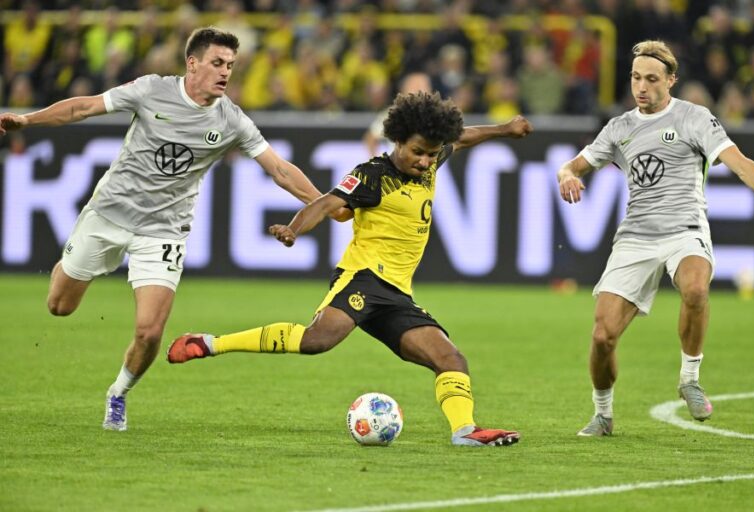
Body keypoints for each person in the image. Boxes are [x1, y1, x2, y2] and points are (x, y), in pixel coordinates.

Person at [0, 27, 347, 432]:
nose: (226, 72)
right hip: (109, 215)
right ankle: (71, 264)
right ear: (192, 63)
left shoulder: (231, 119)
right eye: (218, 63)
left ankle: (119, 393)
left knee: (149, 331)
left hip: (163, 231)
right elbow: (83, 108)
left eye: (231, 65)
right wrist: (28, 120)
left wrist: (325, 203)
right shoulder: (151, 90)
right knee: (60, 306)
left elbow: (280, 170)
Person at [168, 91, 533, 447]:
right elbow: (328, 204)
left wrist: (504, 129)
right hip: (364, 278)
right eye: (418, 152)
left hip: (397, 294)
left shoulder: (432, 160)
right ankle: (209, 343)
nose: (425, 161)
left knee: (450, 358)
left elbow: (463, 137)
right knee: (317, 341)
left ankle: (464, 430)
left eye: (431, 154)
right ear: (398, 140)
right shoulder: (373, 174)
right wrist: (294, 229)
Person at [557, 40, 754, 437]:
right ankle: (602, 414)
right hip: (635, 238)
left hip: (685, 230)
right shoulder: (619, 128)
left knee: (695, 289)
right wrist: (567, 175)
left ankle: (689, 379)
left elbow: (741, 165)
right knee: (602, 336)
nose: (642, 86)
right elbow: (572, 165)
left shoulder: (694, 118)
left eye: (652, 79)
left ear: (671, 80)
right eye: (636, 77)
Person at [362, 72, 432, 157]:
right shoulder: (393, 113)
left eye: (422, 86)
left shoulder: (436, 114)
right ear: (404, 91)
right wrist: (375, 160)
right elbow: (371, 138)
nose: (419, 91)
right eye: (415, 87)